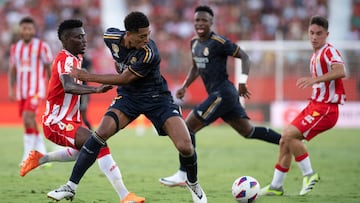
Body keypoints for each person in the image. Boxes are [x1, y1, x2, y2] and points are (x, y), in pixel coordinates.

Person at [47, 12, 207, 203]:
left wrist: (88, 77)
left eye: (148, 34)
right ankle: (70, 186)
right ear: (128, 34)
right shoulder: (110, 37)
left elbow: (124, 78)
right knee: (100, 134)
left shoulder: (149, 52)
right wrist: (119, 64)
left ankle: (193, 183)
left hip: (157, 99)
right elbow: (120, 63)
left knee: (185, 146)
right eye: (142, 36)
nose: (147, 39)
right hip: (129, 97)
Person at [20, 19, 145, 203]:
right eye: (79, 37)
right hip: (56, 122)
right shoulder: (64, 59)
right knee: (98, 143)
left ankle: (41, 158)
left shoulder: (76, 59)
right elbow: (69, 86)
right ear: (66, 40)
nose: (84, 40)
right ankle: (124, 195)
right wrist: (95, 89)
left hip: (71, 121)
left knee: (87, 151)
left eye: (84, 36)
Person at [159, 5, 282, 187]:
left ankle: (184, 174)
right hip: (223, 96)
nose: (200, 24)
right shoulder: (194, 43)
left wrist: (242, 81)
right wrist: (185, 86)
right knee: (247, 131)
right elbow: (196, 67)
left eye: (204, 21)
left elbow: (245, 57)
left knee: (188, 127)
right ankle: (285, 141)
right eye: (197, 21)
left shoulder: (219, 42)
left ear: (211, 22)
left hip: (223, 93)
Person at [260, 15, 346, 196]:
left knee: (291, 136)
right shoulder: (314, 55)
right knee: (285, 139)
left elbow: (340, 71)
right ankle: (276, 186)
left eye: (319, 34)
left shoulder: (329, 51)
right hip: (315, 105)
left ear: (327, 34)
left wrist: (315, 80)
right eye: (312, 33)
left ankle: (309, 174)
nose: (314, 37)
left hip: (326, 108)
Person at [8, 17, 52, 164]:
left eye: (29, 28)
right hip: (22, 90)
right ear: (20, 30)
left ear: (34, 30)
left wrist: (52, 86)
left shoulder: (42, 46)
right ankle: (41, 150)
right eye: (24, 28)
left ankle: (27, 154)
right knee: (29, 120)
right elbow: (13, 70)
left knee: (28, 117)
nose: (26, 31)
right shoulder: (15, 48)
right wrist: (11, 88)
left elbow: (48, 67)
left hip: (36, 89)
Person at [80, 56, 93, 130]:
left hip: (83, 90)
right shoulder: (73, 59)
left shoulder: (85, 60)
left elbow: (89, 74)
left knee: (83, 113)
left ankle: (89, 130)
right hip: (75, 90)